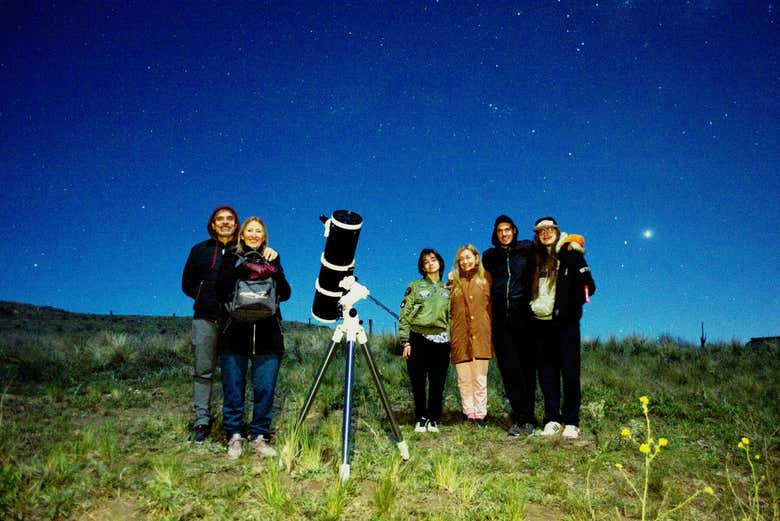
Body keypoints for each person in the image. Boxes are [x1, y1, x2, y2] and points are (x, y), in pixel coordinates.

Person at [215, 216, 290, 459]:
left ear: (264, 236)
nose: (254, 235)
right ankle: (234, 436)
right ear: (242, 235)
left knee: (265, 388)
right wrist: (242, 266)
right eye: (250, 230)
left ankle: (259, 436)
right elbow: (220, 290)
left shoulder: (273, 258)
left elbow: (286, 293)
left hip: (268, 335)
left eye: (259, 231)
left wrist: (274, 268)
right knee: (233, 388)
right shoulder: (231, 257)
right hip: (234, 334)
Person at [530, 217, 595, 439]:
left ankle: (571, 421)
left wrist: (569, 310)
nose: (546, 233)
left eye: (550, 229)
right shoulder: (536, 258)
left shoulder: (570, 252)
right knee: (547, 373)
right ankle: (552, 419)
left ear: (557, 231)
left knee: (569, 372)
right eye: (541, 231)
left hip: (565, 325)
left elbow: (589, 286)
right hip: (541, 324)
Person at [482, 215, 537, 437]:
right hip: (500, 318)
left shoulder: (527, 248)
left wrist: (572, 243)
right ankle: (520, 417)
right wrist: (453, 277)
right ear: (495, 233)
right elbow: (475, 272)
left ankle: (529, 418)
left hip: (523, 314)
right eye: (500, 230)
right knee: (509, 369)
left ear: (514, 230)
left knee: (526, 369)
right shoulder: (489, 256)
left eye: (507, 229)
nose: (504, 233)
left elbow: (553, 247)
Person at [398, 248, 451, 433]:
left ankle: (433, 418)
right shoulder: (415, 286)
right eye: (426, 262)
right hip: (418, 338)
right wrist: (405, 341)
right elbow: (404, 314)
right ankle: (421, 417)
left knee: (438, 381)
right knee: (418, 381)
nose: (430, 263)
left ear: (440, 262)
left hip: (441, 341)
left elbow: (452, 317)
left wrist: (450, 340)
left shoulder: (448, 289)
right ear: (422, 267)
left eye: (433, 259)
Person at [449, 244, 494, 427]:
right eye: (461, 259)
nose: (465, 262)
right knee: (464, 379)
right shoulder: (453, 282)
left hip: (481, 335)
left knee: (479, 378)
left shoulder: (486, 278)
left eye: (468, 257)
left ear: (476, 258)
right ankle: (469, 413)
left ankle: (481, 414)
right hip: (460, 337)